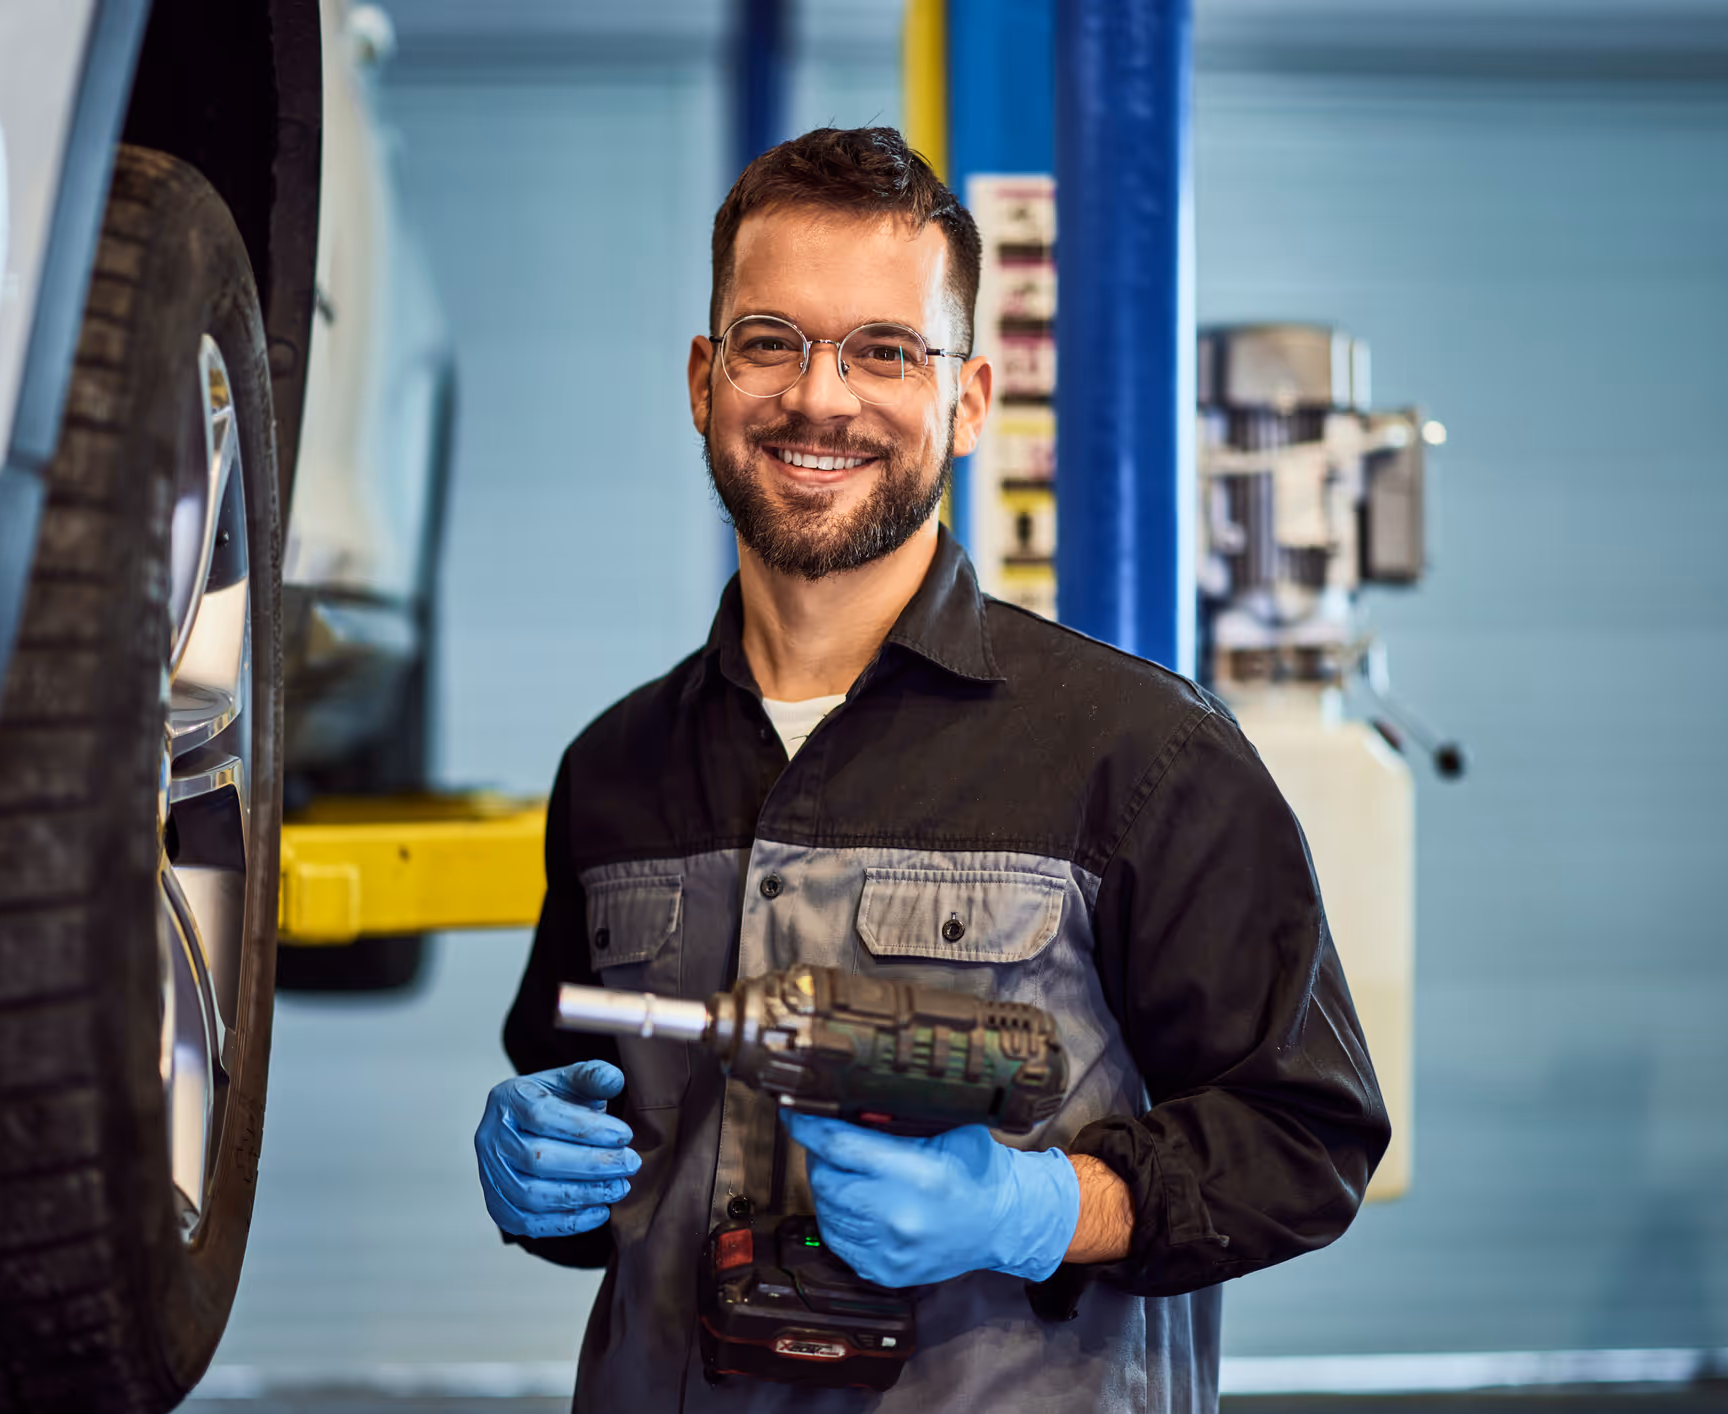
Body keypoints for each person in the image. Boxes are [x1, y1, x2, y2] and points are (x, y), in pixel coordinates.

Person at [472, 126, 1389, 1411]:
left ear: (966, 401)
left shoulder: (1138, 752)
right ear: (702, 378)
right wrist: (539, 1176)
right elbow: (598, 1167)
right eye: (769, 339)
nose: (818, 396)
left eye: (884, 350)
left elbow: (1308, 1136)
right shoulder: (615, 767)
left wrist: (1035, 1207)